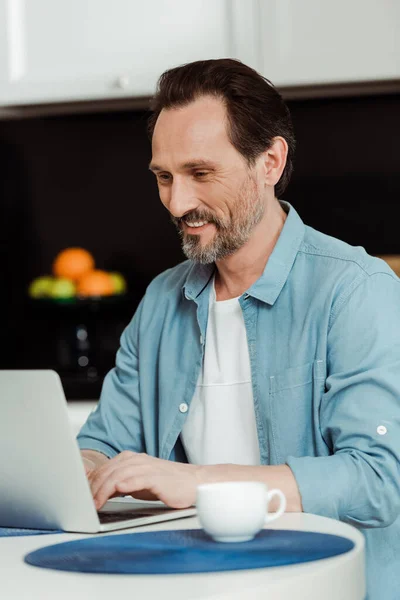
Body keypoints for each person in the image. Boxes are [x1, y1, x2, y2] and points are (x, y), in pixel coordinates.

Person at [78, 59, 400, 599]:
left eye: (200, 173)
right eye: (163, 177)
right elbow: (104, 444)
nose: (178, 202)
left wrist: (193, 483)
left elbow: (378, 479)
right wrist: (83, 468)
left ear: (270, 162)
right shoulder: (162, 300)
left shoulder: (357, 290)